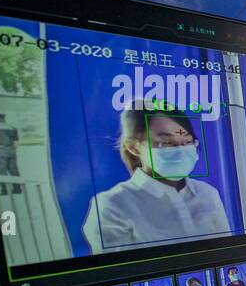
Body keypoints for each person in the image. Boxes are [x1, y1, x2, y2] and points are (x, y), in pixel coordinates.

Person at [83, 105, 231, 254]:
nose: (180, 150)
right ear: (133, 147)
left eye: (187, 141)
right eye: (166, 143)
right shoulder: (112, 205)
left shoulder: (207, 193)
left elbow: (227, 255)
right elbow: (118, 272)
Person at [0, 112, 20, 195]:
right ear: (4, 118)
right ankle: (17, 189)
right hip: (11, 151)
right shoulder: (12, 127)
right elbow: (16, 143)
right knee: (14, 170)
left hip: (0, 150)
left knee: (1, 171)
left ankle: (4, 190)